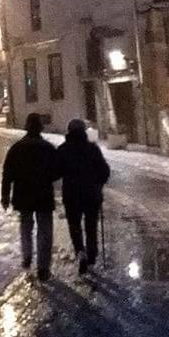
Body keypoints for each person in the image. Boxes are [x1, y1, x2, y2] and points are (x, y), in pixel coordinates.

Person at [1, 113, 61, 281]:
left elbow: (7, 174)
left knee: (25, 228)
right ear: (40, 128)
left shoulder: (17, 148)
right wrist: (45, 177)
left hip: (23, 194)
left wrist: (5, 196)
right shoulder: (48, 148)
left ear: (26, 127)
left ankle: (27, 256)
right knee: (45, 231)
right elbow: (57, 172)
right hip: (43, 195)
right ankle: (43, 267)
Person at [57, 118, 110, 275]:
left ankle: (80, 251)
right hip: (91, 194)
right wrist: (99, 183)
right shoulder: (92, 149)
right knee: (91, 226)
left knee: (74, 226)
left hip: (71, 195)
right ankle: (92, 256)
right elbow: (105, 171)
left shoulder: (63, 150)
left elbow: (55, 171)